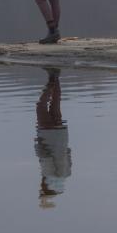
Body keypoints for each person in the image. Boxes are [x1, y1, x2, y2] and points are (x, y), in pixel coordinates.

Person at [34, 67, 72, 208]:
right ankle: (52, 79)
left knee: (56, 102)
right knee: (40, 106)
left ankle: (55, 78)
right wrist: (37, 144)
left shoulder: (66, 174)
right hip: (48, 133)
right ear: (47, 188)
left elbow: (68, 153)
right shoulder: (49, 174)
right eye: (42, 190)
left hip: (61, 134)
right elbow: (45, 156)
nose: (40, 186)